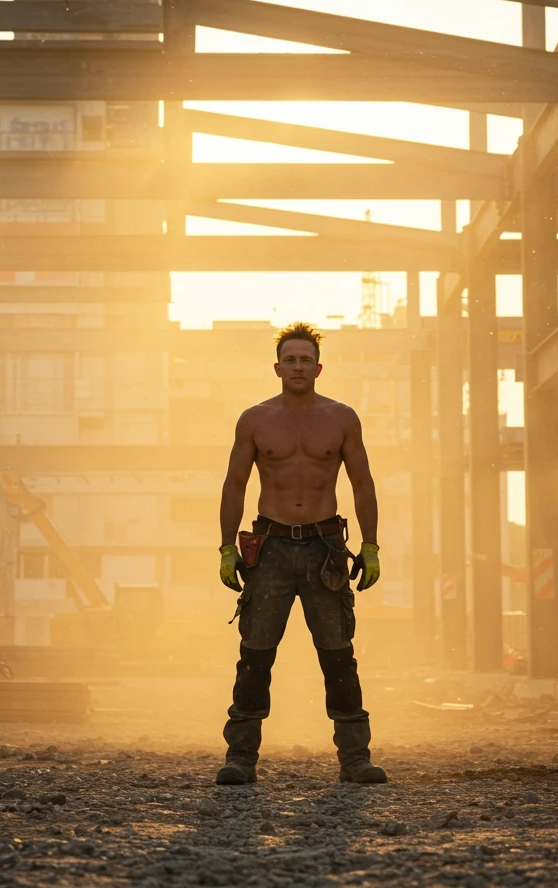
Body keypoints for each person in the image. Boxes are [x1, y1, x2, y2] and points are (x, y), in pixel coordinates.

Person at [215, 321, 386, 786]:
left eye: (305, 360)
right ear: (276, 368)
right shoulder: (255, 419)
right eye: (289, 360)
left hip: (324, 547)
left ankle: (355, 759)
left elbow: (362, 483)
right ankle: (240, 758)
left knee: (338, 654)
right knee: (255, 654)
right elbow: (234, 484)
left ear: (318, 368)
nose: (297, 367)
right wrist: (227, 547)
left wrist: (370, 545)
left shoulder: (341, 418)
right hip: (269, 547)